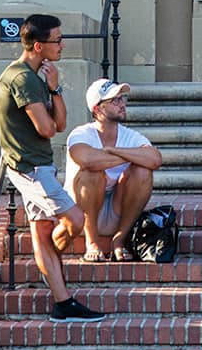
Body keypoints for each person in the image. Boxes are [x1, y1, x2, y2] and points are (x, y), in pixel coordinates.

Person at [0, 14, 105, 323]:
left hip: (39, 164)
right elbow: (47, 128)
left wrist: (55, 89)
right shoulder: (22, 79)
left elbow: (61, 123)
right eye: (57, 40)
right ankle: (51, 267)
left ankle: (62, 303)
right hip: (30, 168)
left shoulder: (37, 77)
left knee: (42, 233)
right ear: (39, 46)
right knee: (76, 219)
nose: (62, 45)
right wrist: (50, 100)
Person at [65, 78, 162, 262]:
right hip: (83, 214)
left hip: (119, 212)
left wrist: (111, 150)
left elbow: (155, 159)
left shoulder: (129, 135)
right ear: (97, 109)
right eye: (114, 100)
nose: (122, 104)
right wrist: (132, 156)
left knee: (143, 171)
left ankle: (119, 239)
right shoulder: (81, 134)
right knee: (91, 174)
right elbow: (88, 161)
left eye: (122, 98)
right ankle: (92, 242)